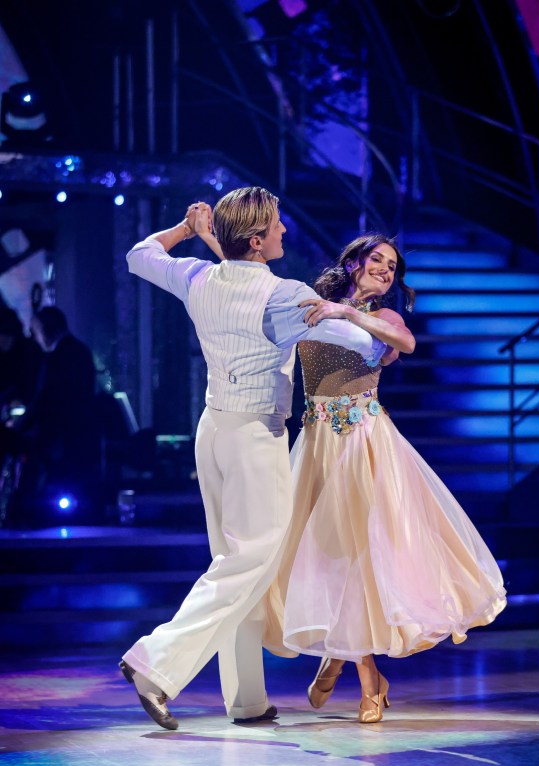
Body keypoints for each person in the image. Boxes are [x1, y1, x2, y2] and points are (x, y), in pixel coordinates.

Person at [119, 188, 386, 730]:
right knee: (250, 560)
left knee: (236, 564)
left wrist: (185, 229)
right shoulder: (284, 294)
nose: (287, 231)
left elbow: (140, 254)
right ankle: (156, 662)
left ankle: (246, 699)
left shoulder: (198, 276)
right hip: (253, 436)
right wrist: (354, 318)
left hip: (212, 430)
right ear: (259, 240)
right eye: (279, 225)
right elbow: (363, 345)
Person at [264, 234, 507, 722]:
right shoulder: (314, 305)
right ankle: (342, 653)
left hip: (363, 443)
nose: (385, 270)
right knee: (322, 556)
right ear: (353, 262)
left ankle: (368, 678)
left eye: (392, 266)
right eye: (377, 260)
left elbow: (407, 343)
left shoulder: (384, 318)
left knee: (361, 557)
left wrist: (353, 315)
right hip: (316, 444)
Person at [3, 305, 97, 525]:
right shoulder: (80, 351)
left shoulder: (56, 359)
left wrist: (18, 426)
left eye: (35, 332)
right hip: (77, 434)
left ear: (44, 330)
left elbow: (44, 399)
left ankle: (17, 511)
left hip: (57, 435)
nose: (34, 338)